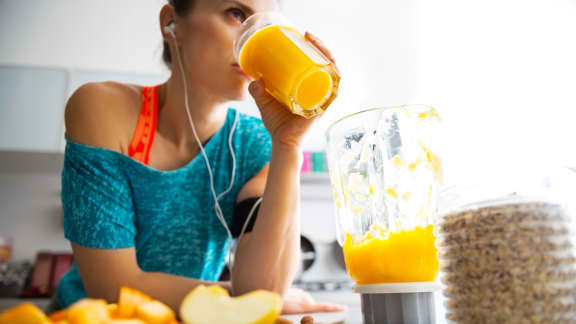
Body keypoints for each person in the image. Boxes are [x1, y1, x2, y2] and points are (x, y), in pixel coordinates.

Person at [55, 0, 344, 315]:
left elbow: (262, 288)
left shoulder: (256, 144)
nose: (255, 36)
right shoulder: (102, 108)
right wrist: (240, 299)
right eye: (236, 14)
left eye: (268, 24)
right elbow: (111, 286)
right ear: (171, 22)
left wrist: (289, 145)